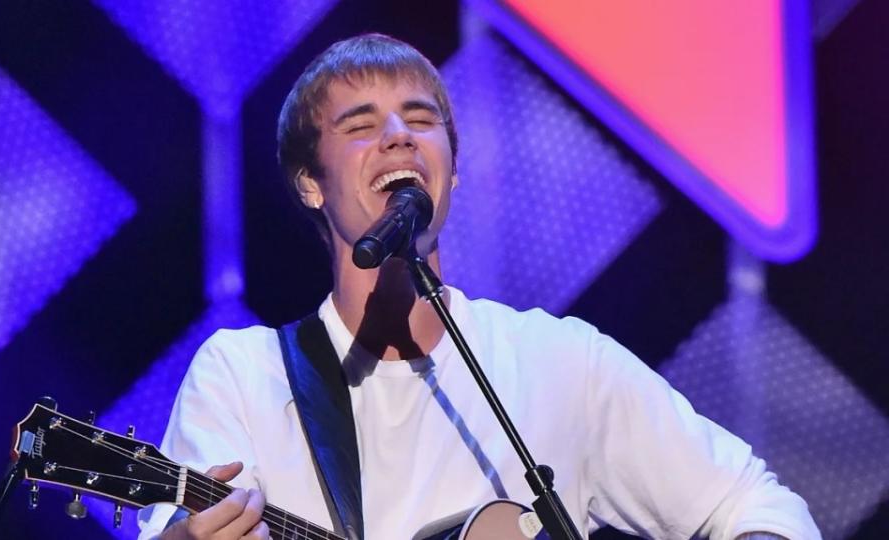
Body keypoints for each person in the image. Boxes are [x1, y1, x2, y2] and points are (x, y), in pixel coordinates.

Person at [139, 34, 820, 540]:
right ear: (310, 184)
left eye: (421, 119)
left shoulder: (556, 361)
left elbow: (758, 506)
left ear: (452, 173)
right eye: (361, 126)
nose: (400, 137)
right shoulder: (244, 377)